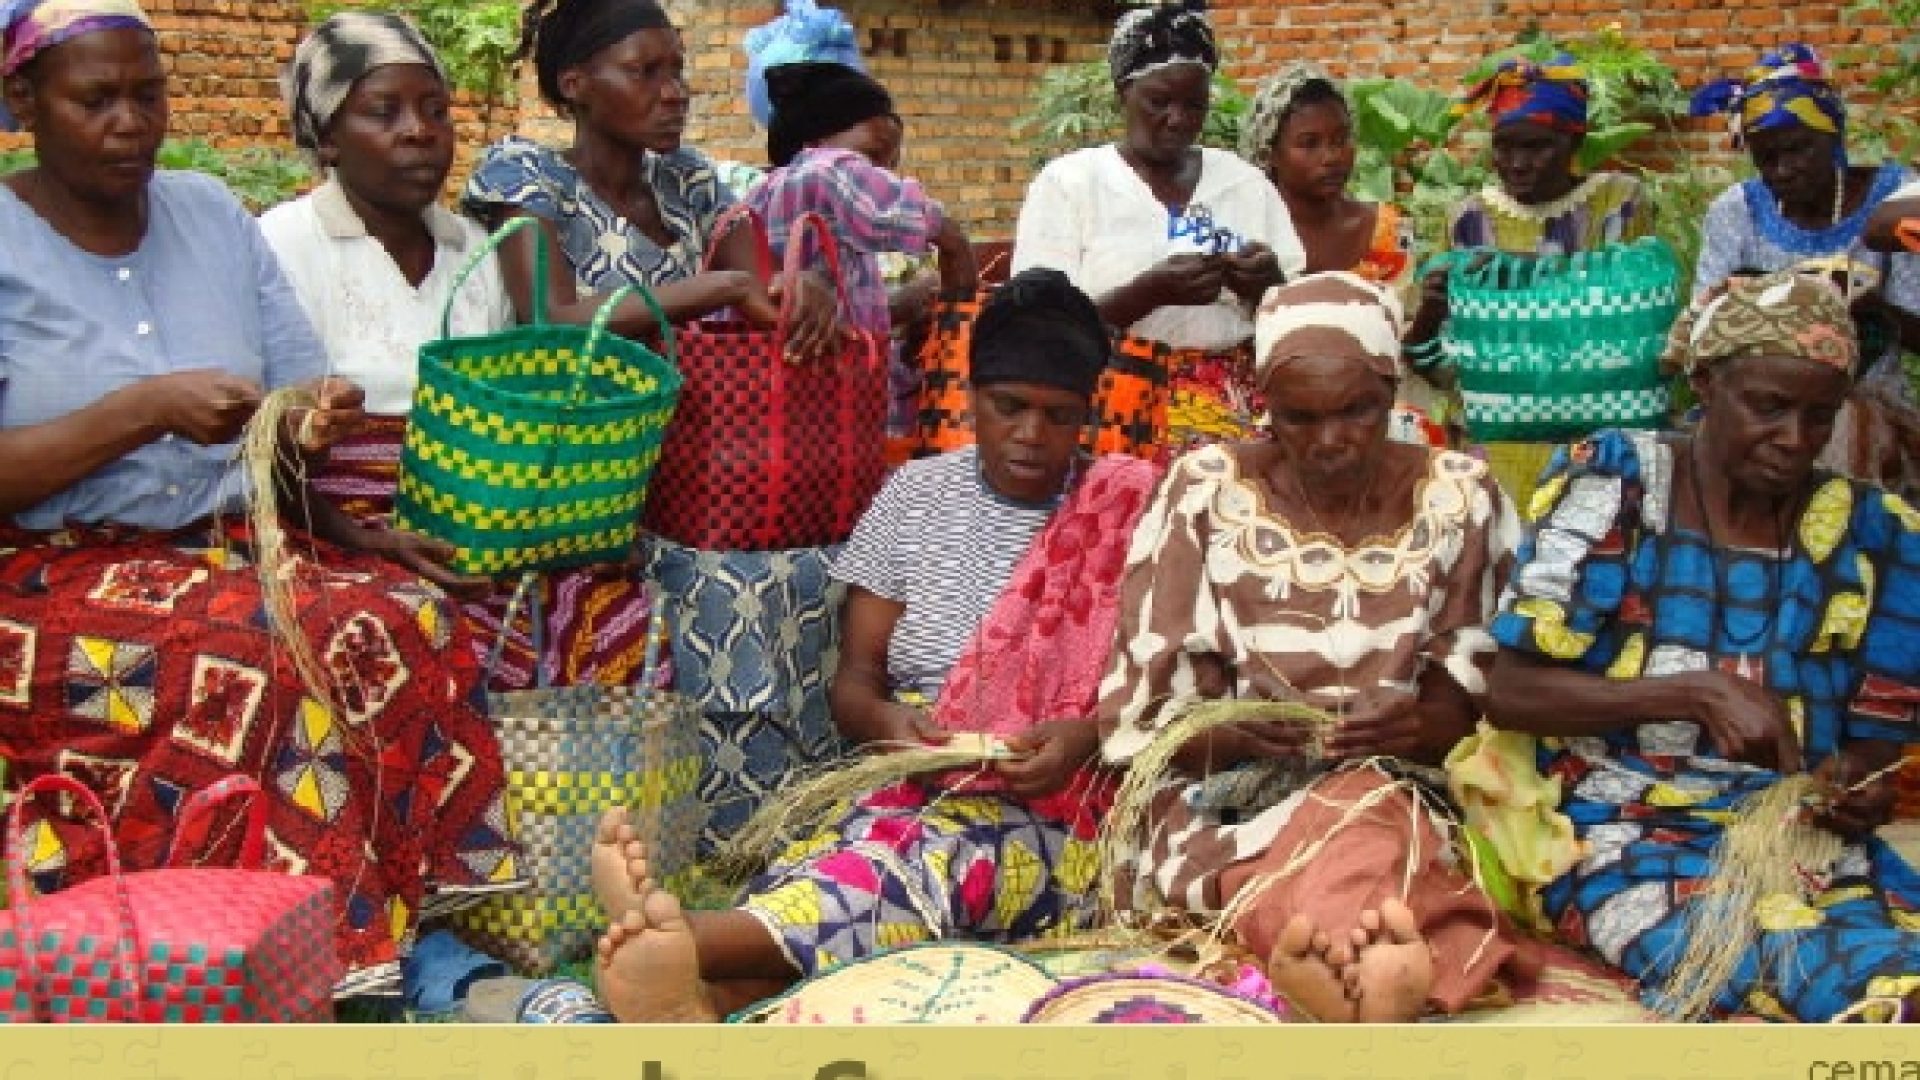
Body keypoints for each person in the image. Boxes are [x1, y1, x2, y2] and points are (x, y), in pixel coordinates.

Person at [0, 0, 522, 995]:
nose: (130, 122)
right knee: (255, 662)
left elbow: (287, 410)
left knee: (402, 620)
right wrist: (144, 409)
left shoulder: (206, 215)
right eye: (95, 99)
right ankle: (303, 952)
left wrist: (313, 434)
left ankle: (406, 922)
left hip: (230, 543)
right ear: (21, 98)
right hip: (42, 573)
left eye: (147, 94)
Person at [572, 270, 1162, 1023]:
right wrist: (891, 728)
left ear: (1089, 414)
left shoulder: (1133, 508)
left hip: (1064, 810)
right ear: (971, 396)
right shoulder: (915, 497)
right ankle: (714, 997)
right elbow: (856, 679)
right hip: (917, 771)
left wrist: (1086, 737)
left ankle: (691, 942)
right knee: (845, 852)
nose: (1030, 434)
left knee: (942, 862)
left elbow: (1173, 688)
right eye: (1008, 407)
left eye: (1058, 415)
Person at [1097, 273, 1539, 1022]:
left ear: (1392, 389)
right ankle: (1382, 971)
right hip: (1231, 809)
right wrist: (1232, 734)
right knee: (1352, 829)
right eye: (1297, 418)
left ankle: (1325, 962)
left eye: (1357, 411)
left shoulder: (1463, 495)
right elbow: (1143, 714)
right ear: (1263, 404)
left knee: (1367, 804)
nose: (1329, 441)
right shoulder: (1202, 491)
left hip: (1411, 794)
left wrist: (1427, 726)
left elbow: (1485, 680)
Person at [1484, 269, 1920, 1023]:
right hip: (1617, 824)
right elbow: (1509, 691)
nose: (1794, 440)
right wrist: (1691, 692)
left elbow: (1878, 740)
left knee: (1892, 954)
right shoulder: (1617, 480)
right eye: (1768, 406)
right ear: (1707, 381)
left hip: (1794, 830)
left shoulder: (1874, 531)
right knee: (1800, 968)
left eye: (1819, 418)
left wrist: (1853, 786)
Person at [258, 13, 595, 691]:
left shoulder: (473, 249)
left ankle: (579, 794)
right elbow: (266, 449)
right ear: (327, 137)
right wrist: (366, 539)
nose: (418, 131)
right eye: (384, 113)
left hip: (475, 515)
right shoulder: (283, 245)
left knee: (604, 612)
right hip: (335, 529)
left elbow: (516, 410)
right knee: (413, 627)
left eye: (435, 110)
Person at [1012, 0, 1303, 461]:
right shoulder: (1072, 184)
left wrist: (1265, 285)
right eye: (1159, 101)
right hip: (1108, 405)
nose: (1178, 118)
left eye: (1194, 104)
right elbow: (1036, 326)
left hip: (1235, 406)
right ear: (1121, 93)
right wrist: (1148, 292)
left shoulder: (1241, 183)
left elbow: (1296, 313)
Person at [1403, 55, 1655, 506]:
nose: (1517, 163)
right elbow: (1438, 362)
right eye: (1504, 146)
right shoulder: (1469, 221)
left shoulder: (1618, 202)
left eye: (1537, 147)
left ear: (1574, 139)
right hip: (1492, 446)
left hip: (1590, 443)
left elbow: (1626, 332)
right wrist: (1432, 310)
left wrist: (1516, 280)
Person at [1691, 43, 1920, 498]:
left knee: (1846, 435)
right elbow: (1702, 332)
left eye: (1798, 151)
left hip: (1874, 406)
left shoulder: (1893, 201)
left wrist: (1872, 309)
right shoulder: (1737, 211)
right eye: (1766, 158)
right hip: (1757, 411)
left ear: (1833, 137)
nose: (1783, 170)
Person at [749, 60, 977, 444]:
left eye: (892, 162)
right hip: (810, 420)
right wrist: (953, 245)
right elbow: (941, 233)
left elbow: (841, 315)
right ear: (815, 143)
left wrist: (908, 305)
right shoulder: (818, 172)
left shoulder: (813, 211)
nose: (884, 175)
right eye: (873, 157)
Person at [1237, 60, 1443, 448]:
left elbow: (1405, 347)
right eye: (1309, 144)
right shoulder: (1249, 236)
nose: (1331, 156)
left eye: (1340, 139)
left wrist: (1432, 311)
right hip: (1276, 405)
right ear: (1270, 154)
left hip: (1374, 405)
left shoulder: (1387, 232)